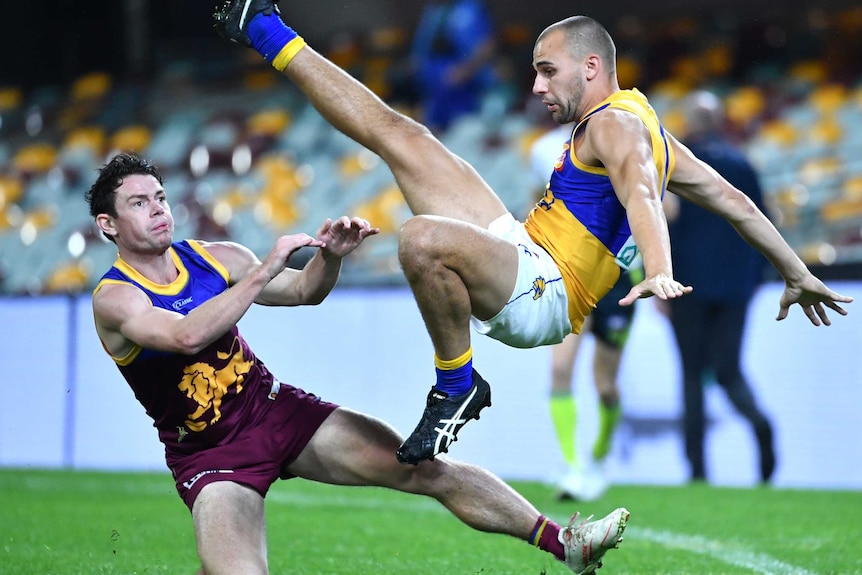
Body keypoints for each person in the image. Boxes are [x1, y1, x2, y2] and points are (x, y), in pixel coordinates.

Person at [213, 3, 853, 468]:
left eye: (548, 72)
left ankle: (456, 382)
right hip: (527, 248)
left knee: (420, 239)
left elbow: (639, 193)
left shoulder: (611, 127)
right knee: (401, 136)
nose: (537, 86)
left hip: (544, 290)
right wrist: (796, 271)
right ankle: (263, 26)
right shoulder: (647, 126)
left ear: (592, 67)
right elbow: (735, 202)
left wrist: (657, 266)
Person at [86, 151, 629, 575]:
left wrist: (329, 258)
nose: (159, 209)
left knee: (423, 469)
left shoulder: (212, 257)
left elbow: (302, 292)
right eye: (139, 203)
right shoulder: (115, 298)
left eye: (160, 197)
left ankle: (567, 544)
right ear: (108, 226)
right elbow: (184, 337)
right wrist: (261, 270)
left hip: (275, 410)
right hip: (210, 454)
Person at [664, 90, 777, 484]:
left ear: (691, 122)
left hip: (687, 286)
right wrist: (755, 278)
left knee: (692, 374)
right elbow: (763, 221)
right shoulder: (742, 162)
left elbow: (664, 222)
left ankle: (696, 470)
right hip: (734, 288)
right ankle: (762, 427)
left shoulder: (675, 164)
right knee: (729, 371)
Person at [529, 123, 639, 501]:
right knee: (560, 369)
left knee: (605, 384)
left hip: (618, 276)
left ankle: (598, 458)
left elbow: (664, 208)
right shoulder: (545, 147)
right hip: (570, 270)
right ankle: (572, 466)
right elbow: (539, 200)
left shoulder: (625, 134)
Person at [408, 0, 498, 131]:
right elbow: (421, 50)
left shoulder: (471, 8)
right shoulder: (433, 11)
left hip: (466, 87)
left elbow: (487, 46)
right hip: (434, 87)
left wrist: (465, 70)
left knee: (464, 129)